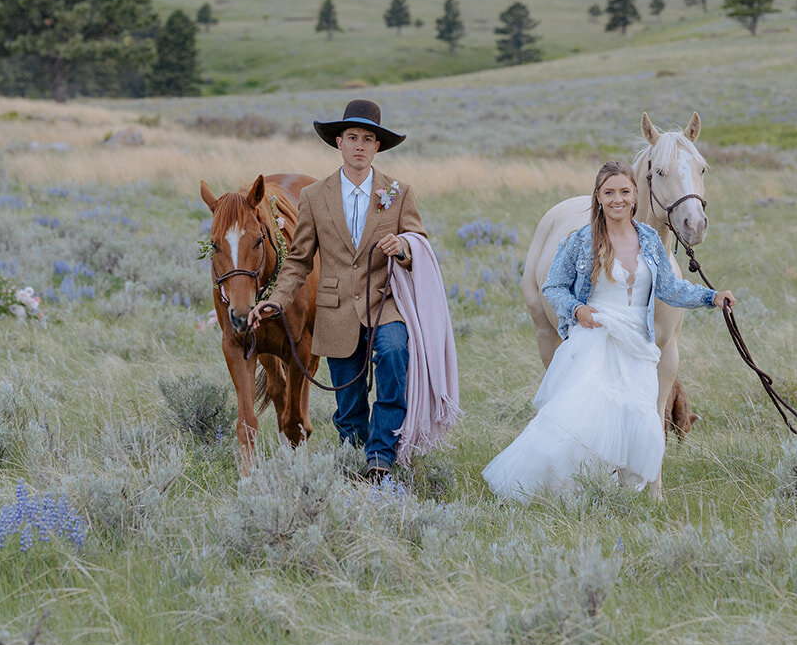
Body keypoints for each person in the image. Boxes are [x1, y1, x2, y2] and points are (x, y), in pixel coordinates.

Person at [483, 159, 733, 499]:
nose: (618, 199)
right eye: (609, 192)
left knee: (637, 417)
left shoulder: (648, 239)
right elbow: (553, 287)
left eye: (625, 192)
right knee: (584, 419)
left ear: (634, 197)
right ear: (598, 198)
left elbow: (670, 289)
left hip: (637, 342)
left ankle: (622, 494)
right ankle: (567, 491)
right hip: (597, 337)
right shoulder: (581, 240)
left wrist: (711, 297)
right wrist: (577, 309)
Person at [248, 98, 426, 480]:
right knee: (348, 399)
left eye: (367, 138)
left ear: (378, 146)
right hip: (335, 307)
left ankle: (381, 456)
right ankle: (355, 450)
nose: (359, 145)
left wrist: (404, 247)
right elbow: (298, 259)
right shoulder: (315, 197)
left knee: (395, 353)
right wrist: (274, 300)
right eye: (352, 137)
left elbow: (419, 242)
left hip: (385, 302)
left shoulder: (399, 192)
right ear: (339, 144)